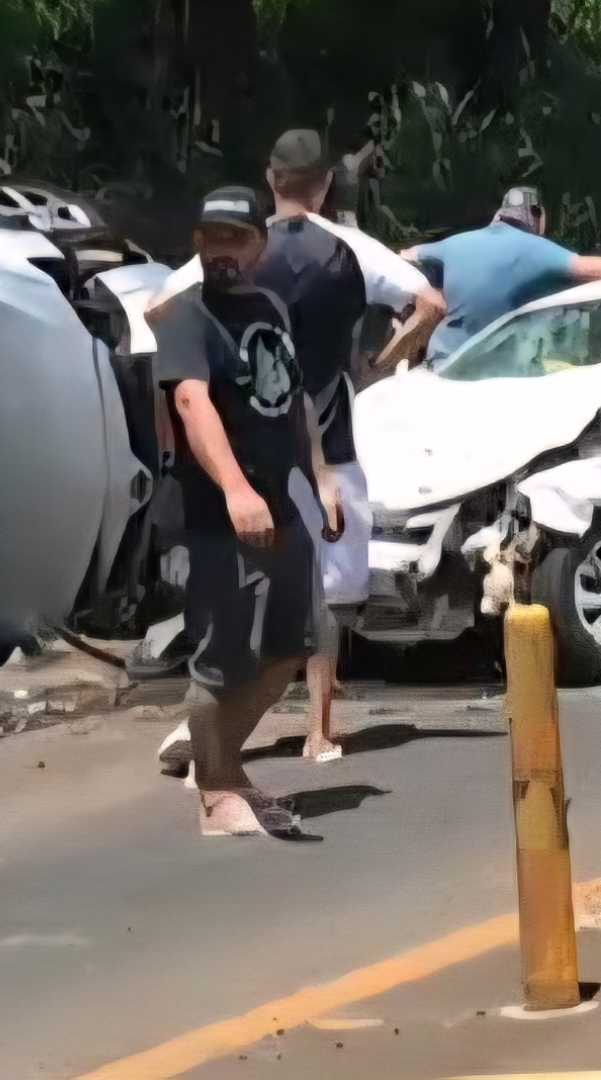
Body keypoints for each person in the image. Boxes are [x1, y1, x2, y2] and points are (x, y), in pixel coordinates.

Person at [146, 185, 338, 839]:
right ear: (198, 243)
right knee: (221, 658)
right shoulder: (184, 317)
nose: (222, 250)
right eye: (212, 238)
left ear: (259, 244)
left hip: (280, 504)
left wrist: (319, 475)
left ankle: (222, 768)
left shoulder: (271, 309)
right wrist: (233, 488)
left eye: (236, 238)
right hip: (214, 516)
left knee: (290, 649)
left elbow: (293, 400)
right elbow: (191, 403)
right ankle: (216, 794)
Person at [258, 129, 446, 762]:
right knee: (330, 587)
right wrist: (377, 362)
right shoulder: (350, 249)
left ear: (270, 180)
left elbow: (162, 311)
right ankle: (319, 730)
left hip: (251, 446)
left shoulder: (236, 249)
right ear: (326, 186)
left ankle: (218, 728)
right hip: (328, 438)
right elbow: (430, 304)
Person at [401, 186, 601, 361]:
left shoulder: (454, 243)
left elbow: (406, 256)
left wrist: (427, 293)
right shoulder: (535, 249)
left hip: (440, 358)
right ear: (535, 214)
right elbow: (586, 268)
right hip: (491, 366)